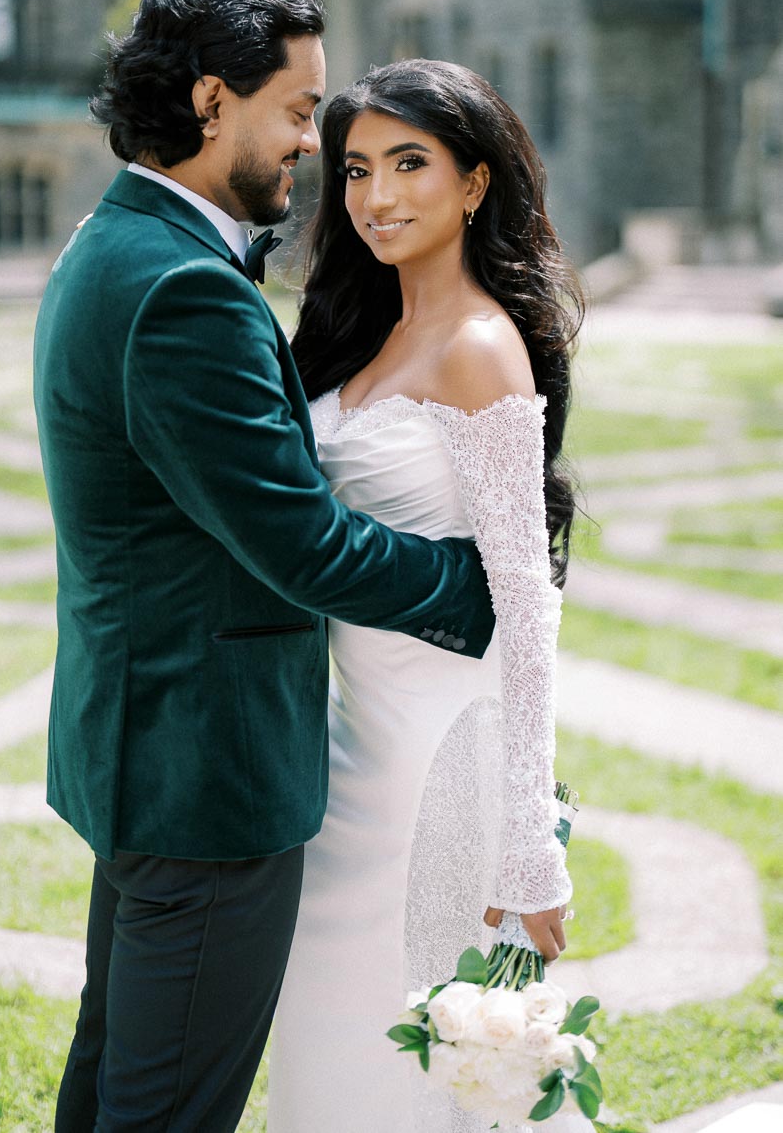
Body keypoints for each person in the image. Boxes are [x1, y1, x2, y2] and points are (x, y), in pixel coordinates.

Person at [33, 0, 500, 1133]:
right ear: (209, 101)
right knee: (167, 1107)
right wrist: (473, 586)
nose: (309, 142)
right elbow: (300, 543)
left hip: (147, 743)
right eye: (299, 111)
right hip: (207, 773)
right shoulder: (179, 285)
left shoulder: (117, 241)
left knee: (118, 1077)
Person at [267, 58, 584, 1132]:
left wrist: (529, 833)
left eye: (411, 164)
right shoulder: (361, 334)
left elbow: (526, 604)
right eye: (356, 171)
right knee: (331, 1051)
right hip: (348, 755)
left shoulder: (481, 348)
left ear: (476, 183)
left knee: (431, 1068)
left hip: (444, 765)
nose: (379, 197)